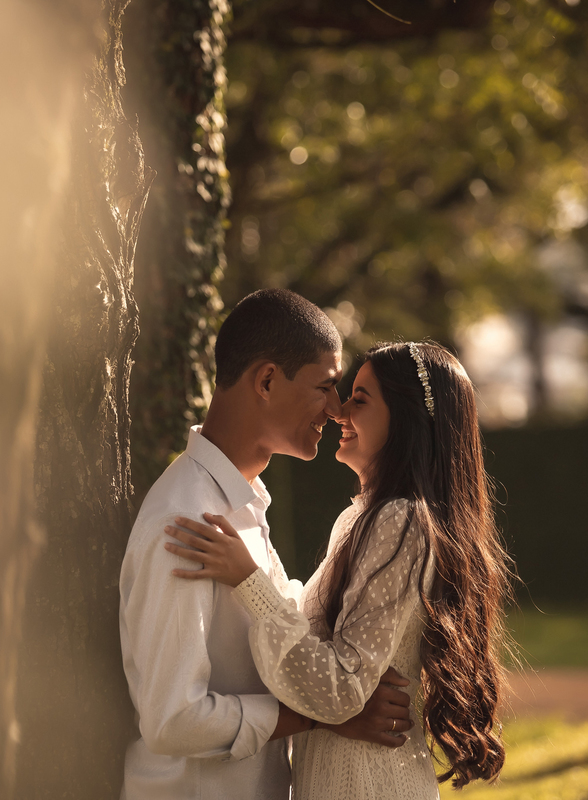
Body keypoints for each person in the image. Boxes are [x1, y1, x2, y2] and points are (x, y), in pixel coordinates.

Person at [164, 340, 512, 799]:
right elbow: (318, 641)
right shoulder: (366, 516)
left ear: (407, 420)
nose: (338, 411)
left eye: (360, 399)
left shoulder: (399, 521)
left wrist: (248, 581)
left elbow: (340, 690)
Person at [119, 290, 414, 800]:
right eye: (325, 387)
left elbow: (284, 625)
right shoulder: (186, 523)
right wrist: (319, 716)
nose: (336, 409)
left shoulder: (242, 504)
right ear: (267, 380)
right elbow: (172, 720)